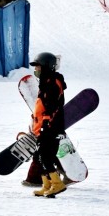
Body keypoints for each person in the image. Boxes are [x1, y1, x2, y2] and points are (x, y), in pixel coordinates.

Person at [28, 52, 68, 197]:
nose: (36, 69)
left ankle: (57, 184)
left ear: (46, 66)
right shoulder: (45, 81)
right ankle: (47, 184)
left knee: (46, 156)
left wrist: (45, 123)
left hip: (51, 126)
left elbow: (52, 107)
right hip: (42, 126)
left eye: (38, 66)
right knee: (39, 156)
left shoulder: (53, 82)